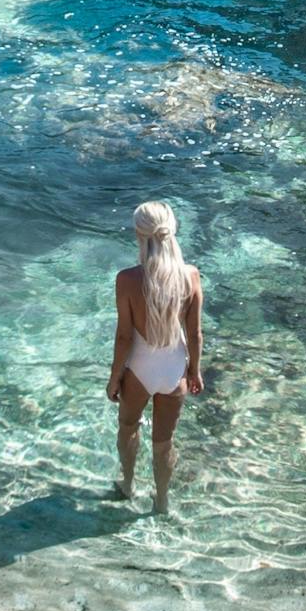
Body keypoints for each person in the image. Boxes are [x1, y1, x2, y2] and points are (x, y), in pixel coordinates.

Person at [106, 200, 203, 513]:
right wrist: (195, 371)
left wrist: (114, 378)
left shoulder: (127, 279)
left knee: (128, 426)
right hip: (175, 370)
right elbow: (195, 334)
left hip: (139, 369)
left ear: (139, 234)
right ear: (171, 232)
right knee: (164, 443)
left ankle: (127, 484)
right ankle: (161, 501)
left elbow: (123, 337)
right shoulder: (191, 276)